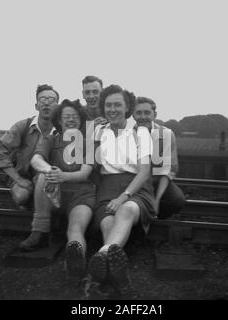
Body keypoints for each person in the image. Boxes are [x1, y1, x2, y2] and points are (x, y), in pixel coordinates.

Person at [87, 85, 156, 296]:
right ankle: (119, 279)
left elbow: (144, 172)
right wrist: (90, 136)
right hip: (107, 187)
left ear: (127, 108)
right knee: (108, 225)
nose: (112, 109)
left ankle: (100, 259)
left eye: (117, 104)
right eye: (108, 105)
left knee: (125, 211)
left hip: (136, 187)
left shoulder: (141, 132)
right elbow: (89, 164)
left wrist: (123, 197)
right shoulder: (98, 131)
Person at [18, 99, 96, 279]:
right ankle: (39, 232)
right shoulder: (51, 139)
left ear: (80, 120)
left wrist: (65, 176)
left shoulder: (88, 143)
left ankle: (76, 260)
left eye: (75, 116)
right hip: (55, 194)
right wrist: (51, 171)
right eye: (66, 116)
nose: (70, 120)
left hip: (81, 195)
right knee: (43, 176)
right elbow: (35, 160)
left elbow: (85, 173)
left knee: (76, 228)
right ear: (59, 120)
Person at [0, 84, 59, 208]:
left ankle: (37, 206)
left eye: (51, 99)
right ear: (36, 106)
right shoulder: (23, 126)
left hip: (49, 179)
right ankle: (32, 202)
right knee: (21, 196)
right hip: (24, 177)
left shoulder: (62, 129)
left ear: (57, 105)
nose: (46, 103)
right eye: (42, 99)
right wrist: (18, 179)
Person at [132, 97, 186, 219]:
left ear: (154, 114)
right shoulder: (127, 135)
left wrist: (157, 200)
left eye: (147, 113)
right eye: (138, 113)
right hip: (135, 183)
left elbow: (167, 171)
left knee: (177, 200)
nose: (143, 117)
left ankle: (155, 222)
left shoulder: (166, 134)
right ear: (133, 115)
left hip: (157, 182)